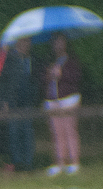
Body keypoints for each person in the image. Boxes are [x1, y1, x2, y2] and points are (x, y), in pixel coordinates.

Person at [43, 33, 82, 177]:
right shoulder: (50, 61)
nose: (57, 45)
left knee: (69, 130)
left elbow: (75, 78)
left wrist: (61, 74)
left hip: (68, 100)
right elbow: (43, 79)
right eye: (55, 42)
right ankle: (60, 163)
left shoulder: (72, 60)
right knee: (56, 133)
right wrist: (49, 74)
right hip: (53, 100)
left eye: (60, 42)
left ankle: (74, 162)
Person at [0, 36, 38, 172]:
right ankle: (17, 162)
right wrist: (4, 101)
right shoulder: (10, 59)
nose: (26, 45)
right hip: (13, 102)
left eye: (28, 42)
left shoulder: (31, 59)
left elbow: (35, 80)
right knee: (14, 133)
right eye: (23, 42)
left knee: (27, 133)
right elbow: (3, 82)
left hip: (28, 102)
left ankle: (28, 163)